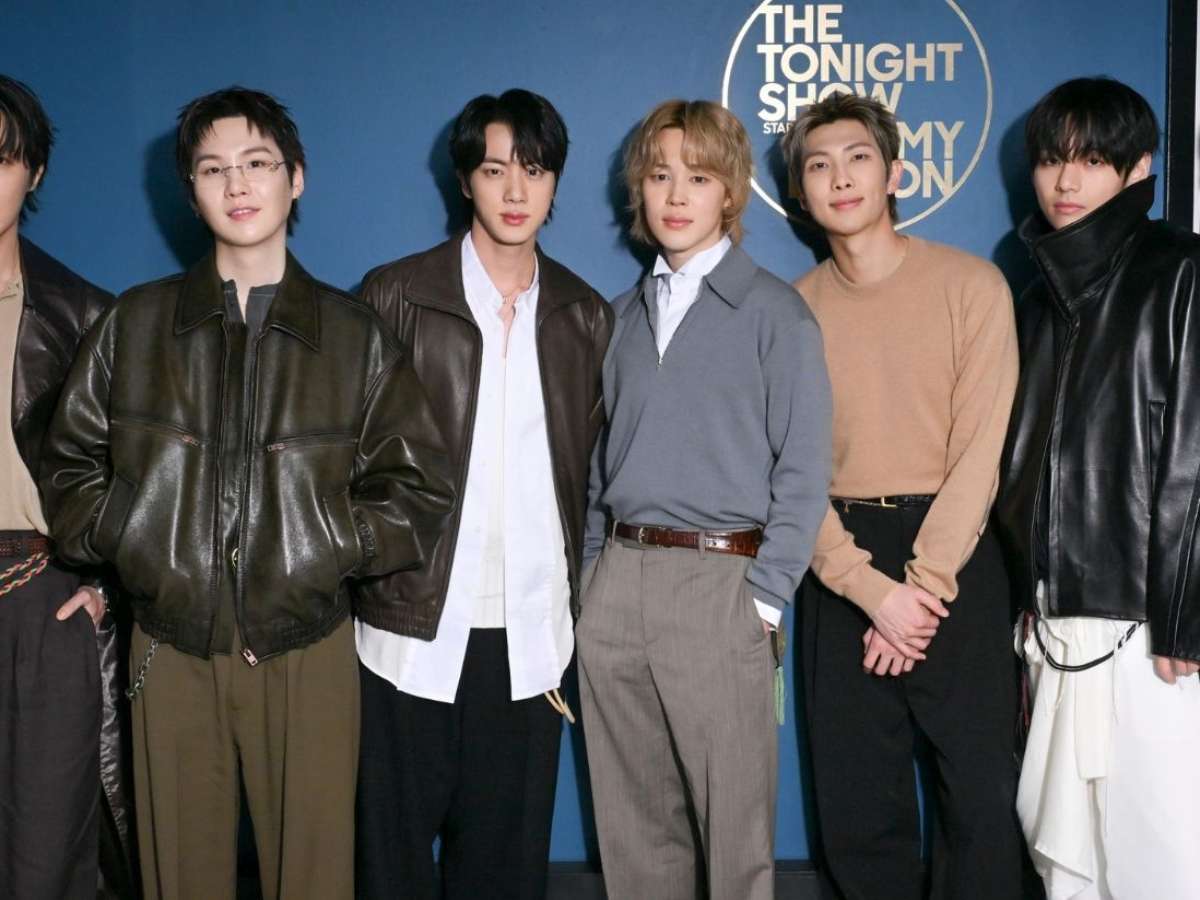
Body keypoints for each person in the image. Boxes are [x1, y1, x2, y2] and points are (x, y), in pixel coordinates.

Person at [41, 85, 454, 900]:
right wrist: (134, 536)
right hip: (169, 645)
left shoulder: (355, 335)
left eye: (257, 163)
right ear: (191, 190)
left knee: (314, 881)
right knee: (179, 879)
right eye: (213, 168)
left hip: (307, 646)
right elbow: (68, 468)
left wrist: (322, 549)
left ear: (295, 178)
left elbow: (416, 489)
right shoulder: (135, 325)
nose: (237, 184)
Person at [353, 88, 613, 900]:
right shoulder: (395, 295)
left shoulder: (583, 315)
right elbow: (347, 462)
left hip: (530, 640)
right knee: (389, 867)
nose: (515, 190)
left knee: (504, 873)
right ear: (465, 179)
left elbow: (594, 480)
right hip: (407, 632)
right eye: (495, 169)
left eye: (534, 170)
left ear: (555, 181)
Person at [578, 98, 831, 900]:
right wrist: (590, 582)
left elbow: (805, 469)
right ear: (640, 191)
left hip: (723, 584)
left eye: (698, 177)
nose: (676, 195)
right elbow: (597, 468)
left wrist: (764, 599)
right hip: (618, 583)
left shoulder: (776, 314)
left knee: (734, 837)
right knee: (632, 829)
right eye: (660, 176)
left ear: (731, 192)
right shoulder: (619, 318)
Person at [782, 91, 1023, 900]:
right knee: (856, 806)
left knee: (981, 799)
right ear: (801, 192)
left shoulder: (972, 286)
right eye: (819, 165)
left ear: (894, 174)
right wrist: (866, 589)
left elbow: (980, 454)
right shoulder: (790, 314)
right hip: (839, 562)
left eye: (858, 158)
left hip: (955, 556)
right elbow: (790, 471)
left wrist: (920, 590)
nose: (840, 178)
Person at [996, 76, 1200, 900]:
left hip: (1153, 628)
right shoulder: (1035, 297)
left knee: (1161, 851)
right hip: (1055, 622)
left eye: (1090, 160)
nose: (1066, 181)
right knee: (1067, 859)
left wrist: (1185, 613)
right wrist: (1028, 600)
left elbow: (1194, 454)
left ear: (1138, 168)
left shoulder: (1181, 270)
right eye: (1052, 160)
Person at [0, 72, 127, 900]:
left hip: (40, 597)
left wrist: (102, 588)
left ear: (34, 172)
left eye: (1, 159)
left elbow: (132, 475)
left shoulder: (84, 314)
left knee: (44, 860)